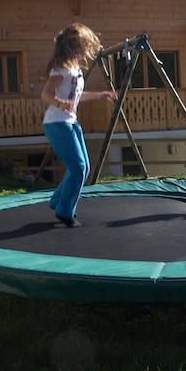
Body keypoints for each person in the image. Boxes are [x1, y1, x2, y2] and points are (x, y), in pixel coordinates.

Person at [41, 23, 116, 227]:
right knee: (78, 167)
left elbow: (75, 95)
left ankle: (57, 201)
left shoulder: (74, 69)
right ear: (74, 47)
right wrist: (60, 103)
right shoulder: (60, 68)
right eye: (83, 46)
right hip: (57, 123)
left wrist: (100, 95)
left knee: (84, 167)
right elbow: (46, 93)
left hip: (70, 121)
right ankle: (65, 212)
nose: (85, 51)